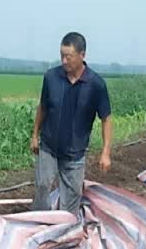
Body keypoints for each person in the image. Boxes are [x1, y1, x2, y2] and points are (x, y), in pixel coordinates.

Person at [31, 32, 112, 217]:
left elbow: (106, 119)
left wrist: (106, 152)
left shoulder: (96, 84)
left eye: (69, 56)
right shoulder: (51, 77)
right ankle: (39, 223)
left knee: (71, 200)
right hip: (49, 146)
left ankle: (64, 233)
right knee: (43, 185)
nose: (64, 61)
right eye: (62, 56)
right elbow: (42, 108)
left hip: (75, 154)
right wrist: (35, 135)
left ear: (82, 55)